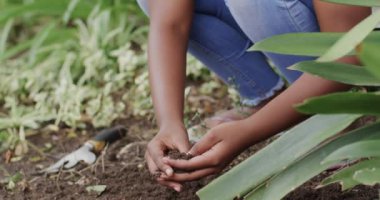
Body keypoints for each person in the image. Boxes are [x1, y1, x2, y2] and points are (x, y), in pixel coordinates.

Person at [137, 0, 371, 192]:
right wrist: (168, 123)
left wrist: (250, 131)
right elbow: (170, 21)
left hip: (353, 38)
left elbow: (350, 56)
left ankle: (332, 116)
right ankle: (268, 99)